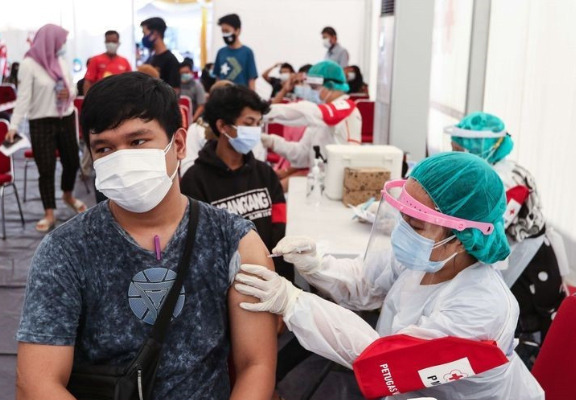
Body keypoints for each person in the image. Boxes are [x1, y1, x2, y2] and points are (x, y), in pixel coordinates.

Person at [15, 72, 277, 400]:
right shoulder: (65, 251)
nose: (121, 158)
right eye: (104, 147)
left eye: (138, 141)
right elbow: (37, 384)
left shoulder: (236, 243)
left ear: (178, 144)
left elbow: (257, 364)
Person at [234, 152, 544, 400]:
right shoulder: (430, 253)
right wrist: (318, 265)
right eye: (403, 217)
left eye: (417, 224)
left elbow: (387, 361)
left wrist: (294, 303)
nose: (404, 231)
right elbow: (365, 282)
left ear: (463, 236)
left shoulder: (481, 307)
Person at [447, 112, 568, 368]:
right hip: (512, 256)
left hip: (530, 264)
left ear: (481, 148)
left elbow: (487, 228)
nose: (455, 155)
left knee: (526, 323)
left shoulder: (508, 179)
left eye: (459, 150)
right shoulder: (488, 171)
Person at [180, 84, 292, 282]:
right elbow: (200, 247)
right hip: (223, 287)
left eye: (258, 123)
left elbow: (280, 233)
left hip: (271, 280)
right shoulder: (195, 182)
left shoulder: (265, 174)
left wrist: (280, 282)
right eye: (248, 123)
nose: (255, 131)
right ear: (223, 126)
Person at [6, 24, 86, 232]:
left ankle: (67, 195)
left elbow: (74, 87)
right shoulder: (29, 64)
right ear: (50, 41)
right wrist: (13, 126)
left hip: (66, 117)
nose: (63, 46)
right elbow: (23, 98)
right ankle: (49, 212)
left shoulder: (61, 61)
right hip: (41, 122)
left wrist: (69, 92)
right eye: (61, 41)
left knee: (72, 161)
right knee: (46, 168)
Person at [261, 60, 361, 190]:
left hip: (341, 184)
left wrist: (265, 111)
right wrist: (270, 141)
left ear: (330, 85)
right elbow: (302, 155)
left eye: (314, 87)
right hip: (320, 181)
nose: (309, 91)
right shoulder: (321, 116)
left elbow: (305, 112)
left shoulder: (344, 108)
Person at [213, 14, 258, 89]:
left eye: (227, 31)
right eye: (223, 31)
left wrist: (251, 99)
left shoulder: (247, 52)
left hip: (241, 97)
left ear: (237, 30)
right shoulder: (221, 52)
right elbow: (218, 78)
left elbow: (251, 80)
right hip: (223, 96)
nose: (224, 34)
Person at [82, 30, 132, 95]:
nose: (111, 44)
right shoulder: (95, 60)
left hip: (120, 97)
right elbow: (88, 82)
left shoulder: (125, 61)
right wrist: (87, 100)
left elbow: (130, 82)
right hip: (99, 97)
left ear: (118, 42)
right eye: (108, 41)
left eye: (114, 41)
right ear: (105, 42)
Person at [140, 17, 181, 92]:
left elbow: (175, 91)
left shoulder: (171, 60)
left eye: (144, 33)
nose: (143, 37)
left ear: (155, 33)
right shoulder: (150, 58)